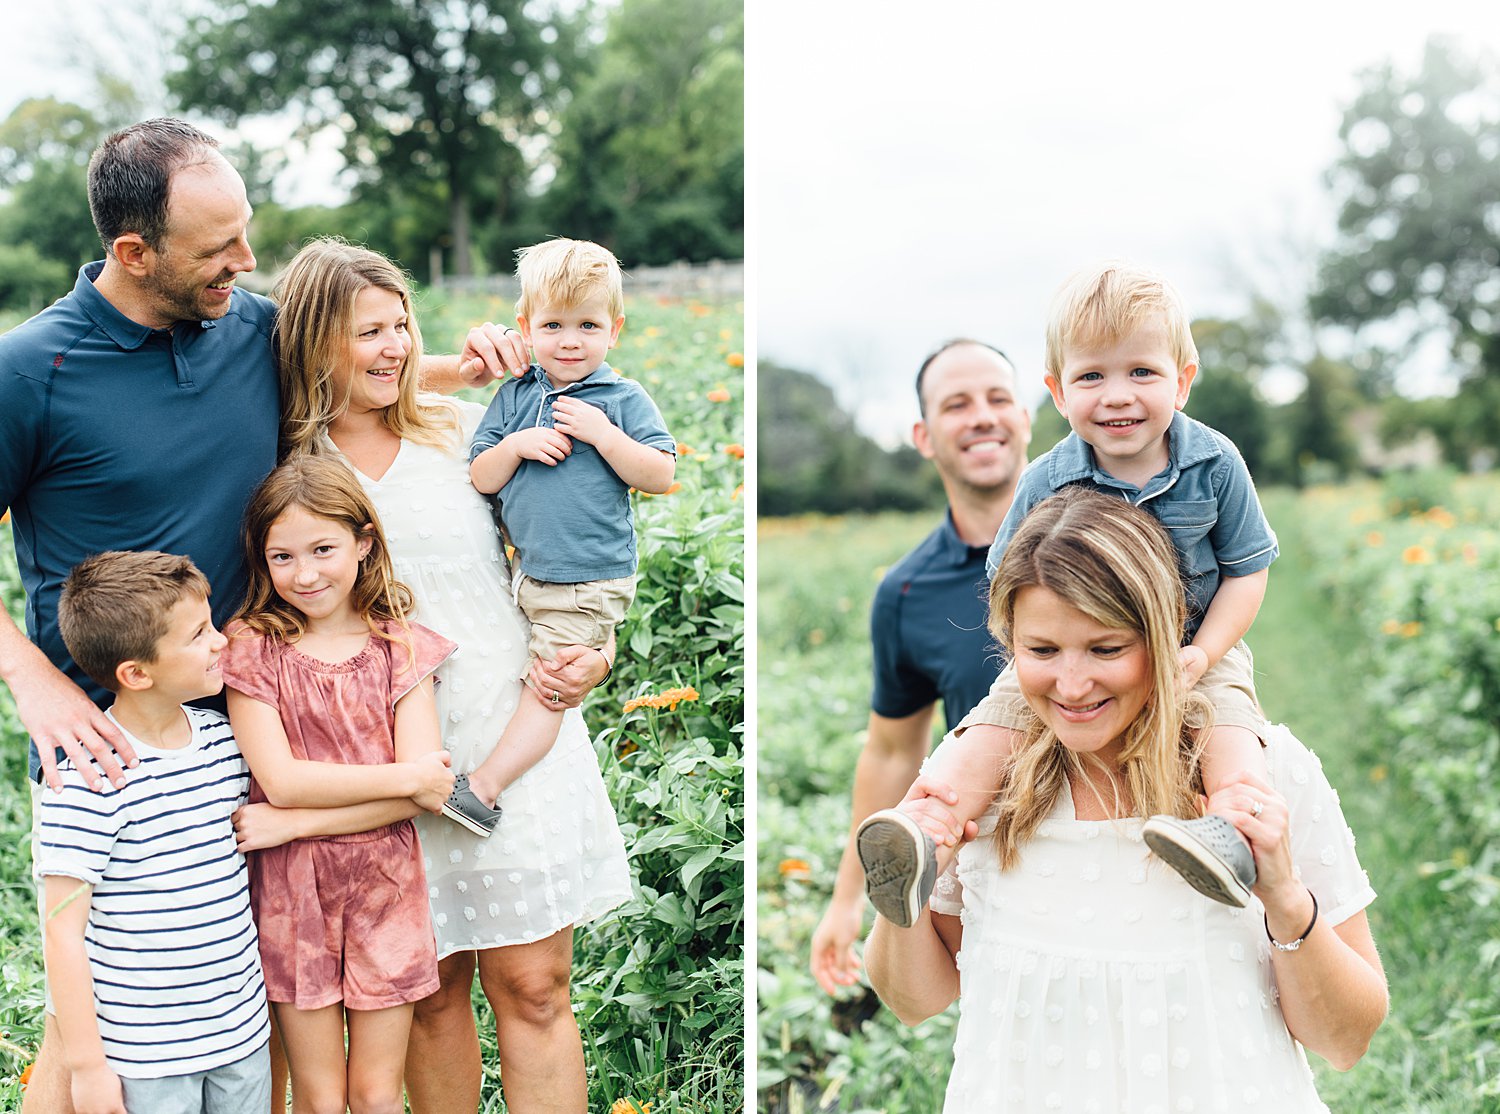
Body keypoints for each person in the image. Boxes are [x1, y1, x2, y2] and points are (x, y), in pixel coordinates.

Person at [0, 117, 529, 1112]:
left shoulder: (248, 327)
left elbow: (359, 372)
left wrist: (480, 364)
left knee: (241, 992)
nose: (247, 264)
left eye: (247, 234)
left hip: (252, 711)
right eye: (220, 248)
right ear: (133, 252)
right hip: (114, 732)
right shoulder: (32, 369)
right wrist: (30, 679)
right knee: (99, 1012)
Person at [241, 236, 631, 1113]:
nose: (393, 347)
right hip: (380, 752)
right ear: (313, 343)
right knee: (426, 998)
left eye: (401, 325)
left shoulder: (467, 427)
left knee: (536, 985)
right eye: (366, 332)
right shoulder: (287, 465)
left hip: (506, 720)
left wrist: (594, 646)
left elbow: (567, 539)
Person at [865, 487, 1388, 1111]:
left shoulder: (1259, 777)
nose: (1073, 684)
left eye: (1107, 649)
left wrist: (1282, 895)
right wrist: (911, 898)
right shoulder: (976, 787)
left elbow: (1347, 1040)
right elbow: (915, 1001)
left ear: (1167, 635)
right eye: (1041, 650)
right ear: (1009, 645)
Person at [860, 262, 1279, 928]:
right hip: (1076, 650)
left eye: (1141, 372)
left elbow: (1246, 570)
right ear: (1057, 391)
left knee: (1228, 722)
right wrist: (1045, 662)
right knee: (995, 721)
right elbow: (1007, 584)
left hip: (1194, 641)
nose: (1117, 396)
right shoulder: (1046, 479)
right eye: (1092, 377)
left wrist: (1204, 653)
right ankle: (926, 831)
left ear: (1183, 379)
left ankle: (1229, 829)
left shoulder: (1215, 463)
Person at [218, 456, 458, 1113]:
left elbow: (425, 796)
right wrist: (407, 776)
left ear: (363, 542)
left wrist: (293, 822)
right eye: (282, 557)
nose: (306, 573)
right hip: (292, 897)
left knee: (377, 1093)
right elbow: (282, 779)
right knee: (321, 1097)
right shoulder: (252, 647)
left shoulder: (402, 648)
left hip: (387, 890)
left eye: (323, 549)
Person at [808, 340, 1031, 995]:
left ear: (1024, 415)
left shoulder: (1104, 535)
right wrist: (847, 899)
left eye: (996, 399)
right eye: (956, 405)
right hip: (1004, 861)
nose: (981, 417)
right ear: (924, 436)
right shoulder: (906, 593)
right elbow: (891, 754)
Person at [456, 237, 676, 834]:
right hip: (529, 568)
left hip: (586, 575)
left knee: (550, 685)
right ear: (526, 326)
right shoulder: (517, 394)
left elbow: (660, 474)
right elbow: (481, 474)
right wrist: (515, 445)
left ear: (615, 330)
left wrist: (605, 436)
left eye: (588, 325)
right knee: (516, 673)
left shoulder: (622, 399)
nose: (571, 340)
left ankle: (484, 788)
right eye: (553, 325)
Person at [38, 551, 270, 1114]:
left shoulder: (224, 739)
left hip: (241, 1033)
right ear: (137, 673)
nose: (221, 641)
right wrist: (88, 1069)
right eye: (198, 635)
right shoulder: (90, 778)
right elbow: (61, 932)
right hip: (145, 1055)